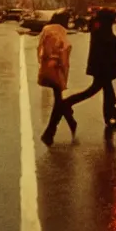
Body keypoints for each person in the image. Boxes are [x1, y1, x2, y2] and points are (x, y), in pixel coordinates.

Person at [64, 8, 116, 128]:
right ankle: (67, 103)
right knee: (96, 89)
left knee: (107, 90)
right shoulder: (102, 26)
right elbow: (107, 40)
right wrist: (115, 45)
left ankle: (111, 115)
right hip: (103, 64)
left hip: (101, 63)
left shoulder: (98, 24)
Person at [37, 10, 77, 146]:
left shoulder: (46, 30)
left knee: (58, 98)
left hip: (46, 67)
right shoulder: (58, 32)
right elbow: (61, 50)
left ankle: (69, 121)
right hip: (56, 68)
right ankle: (50, 131)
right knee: (59, 100)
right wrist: (62, 67)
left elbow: (40, 49)